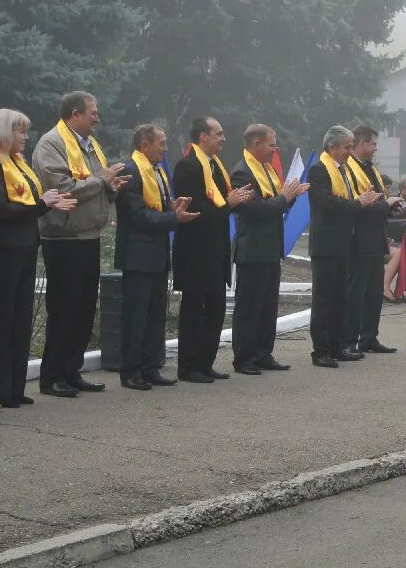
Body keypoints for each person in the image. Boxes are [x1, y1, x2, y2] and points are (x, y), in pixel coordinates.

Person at [0, 109, 76, 410]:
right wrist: (44, 205)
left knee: (20, 320)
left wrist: (48, 203)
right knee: (0, 319)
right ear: (3, 132)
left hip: (25, 249)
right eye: (20, 131)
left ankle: (15, 387)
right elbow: (3, 210)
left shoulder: (19, 165)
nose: (26, 137)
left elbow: (29, 205)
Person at [32, 91, 128, 398]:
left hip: (88, 234)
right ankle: (52, 376)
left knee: (84, 308)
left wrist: (110, 186)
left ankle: (71, 371)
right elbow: (61, 187)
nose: (97, 118)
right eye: (93, 112)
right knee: (64, 308)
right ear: (75, 113)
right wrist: (102, 180)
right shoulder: (52, 143)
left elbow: (95, 184)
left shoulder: (90, 145)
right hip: (63, 237)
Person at [114, 124, 197, 390]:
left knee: (154, 315)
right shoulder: (131, 170)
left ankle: (150, 367)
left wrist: (172, 208)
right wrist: (174, 217)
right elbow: (137, 215)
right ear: (145, 145)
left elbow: (156, 208)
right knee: (136, 316)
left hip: (157, 255)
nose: (165, 148)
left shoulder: (158, 171)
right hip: (138, 255)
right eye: (161, 143)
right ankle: (131, 371)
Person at [172, 117, 253, 383]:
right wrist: (227, 204)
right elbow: (195, 210)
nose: (223, 138)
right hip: (195, 250)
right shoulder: (188, 166)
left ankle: (205, 363)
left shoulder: (216, 166)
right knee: (194, 309)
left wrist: (237, 200)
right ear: (203, 137)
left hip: (216, 249)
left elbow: (222, 203)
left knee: (216, 308)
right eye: (218, 134)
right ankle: (188, 366)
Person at [229, 124, 307, 374]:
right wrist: (284, 197)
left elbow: (277, 204)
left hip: (271, 247)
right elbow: (256, 210)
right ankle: (244, 358)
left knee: (267, 305)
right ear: (256, 144)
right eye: (272, 144)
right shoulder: (243, 173)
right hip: (253, 249)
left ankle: (263, 353)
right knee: (249, 306)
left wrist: (290, 195)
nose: (276, 148)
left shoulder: (267, 169)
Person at [306, 125, 379, 368]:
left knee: (340, 299)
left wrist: (360, 203)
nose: (350, 151)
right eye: (347, 147)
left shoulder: (345, 170)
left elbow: (347, 201)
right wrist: (358, 204)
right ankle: (321, 350)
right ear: (332, 147)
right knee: (324, 300)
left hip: (343, 243)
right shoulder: (318, 170)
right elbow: (326, 203)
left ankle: (337, 346)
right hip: (326, 244)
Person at [344, 125, 398, 355]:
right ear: (362, 143)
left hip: (375, 237)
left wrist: (389, 207)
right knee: (357, 292)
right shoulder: (349, 168)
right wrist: (385, 205)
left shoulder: (369, 168)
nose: (375, 148)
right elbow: (360, 204)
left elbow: (377, 200)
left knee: (374, 292)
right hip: (359, 238)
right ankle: (350, 339)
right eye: (373, 144)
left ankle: (369, 337)